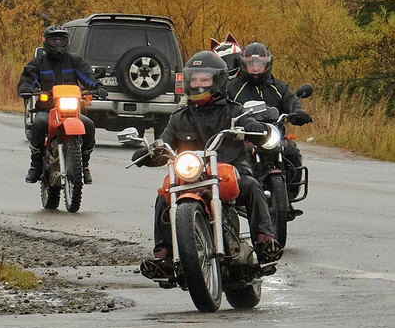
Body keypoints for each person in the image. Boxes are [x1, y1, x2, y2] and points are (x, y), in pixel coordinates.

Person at [136, 50, 277, 278]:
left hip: (231, 172)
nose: (198, 84)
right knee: (164, 194)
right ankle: (163, 256)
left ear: (218, 81)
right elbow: (165, 141)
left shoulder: (234, 111)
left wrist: (258, 130)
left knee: (252, 186)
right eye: (194, 79)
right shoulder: (179, 117)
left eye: (204, 79)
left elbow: (250, 123)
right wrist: (150, 151)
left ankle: (264, 242)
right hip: (192, 177)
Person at [227, 40, 311, 215]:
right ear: (243, 65)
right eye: (250, 64)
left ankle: (288, 197)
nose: (255, 69)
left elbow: (292, 102)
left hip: (274, 136)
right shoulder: (233, 87)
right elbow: (223, 106)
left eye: (259, 64)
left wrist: (298, 113)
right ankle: (232, 195)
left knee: (292, 152)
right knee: (232, 156)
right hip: (245, 138)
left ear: (268, 64)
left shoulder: (279, 87)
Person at [16, 22, 103, 185]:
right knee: (39, 123)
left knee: (89, 125)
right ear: (45, 42)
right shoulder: (38, 63)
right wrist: (26, 87)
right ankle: (35, 165)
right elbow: (27, 78)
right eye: (53, 41)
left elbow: (88, 76)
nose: (57, 44)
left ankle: (84, 165)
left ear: (67, 42)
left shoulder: (75, 61)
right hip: (48, 109)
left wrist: (97, 87)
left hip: (72, 112)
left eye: (61, 41)